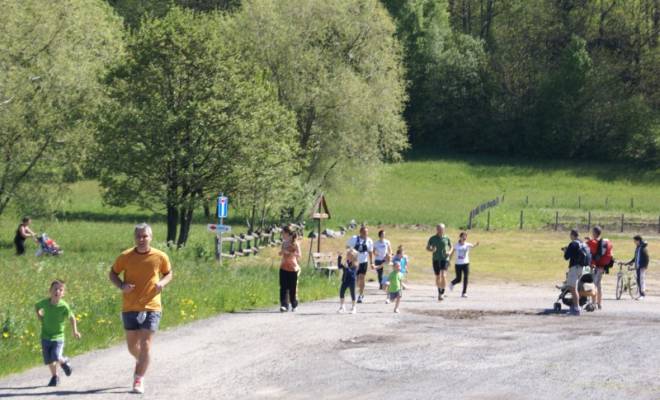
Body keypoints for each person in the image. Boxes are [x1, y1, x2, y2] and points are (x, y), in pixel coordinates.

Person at [109, 223, 173, 394]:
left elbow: (169, 273)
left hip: (152, 305)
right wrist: (122, 285)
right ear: (134, 238)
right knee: (132, 346)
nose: (142, 239)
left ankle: (138, 379)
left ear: (151, 237)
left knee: (145, 344)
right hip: (130, 305)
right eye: (138, 236)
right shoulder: (125, 256)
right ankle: (142, 361)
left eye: (145, 236)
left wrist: (162, 283)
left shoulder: (160, 256)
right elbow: (112, 273)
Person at [35, 279, 81, 387]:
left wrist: (75, 331)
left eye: (61, 289)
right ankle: (55, 377)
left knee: (56, 355)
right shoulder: (44, 303)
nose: (58, 291)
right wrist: (40, 316)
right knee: (49, 359)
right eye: (55, 289)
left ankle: (65, 362)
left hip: (58, 337)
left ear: (63, 293)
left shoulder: (64, 306)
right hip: (45, 336)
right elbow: (36, 306)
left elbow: (72, 318)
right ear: (50, 291)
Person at [587, 226, 612, 310]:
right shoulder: (604, 241)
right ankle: (599, 303)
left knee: (593, 285)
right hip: (602, 267)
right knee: (599, 285)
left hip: (596, 266)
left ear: (595, 233)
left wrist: (589, 240)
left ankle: (593, 303)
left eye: (592, 232)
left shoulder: (593, 242)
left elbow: (589, 248)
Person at [346, 226, 373, 303]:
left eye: (367, 232)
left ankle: (360, 295)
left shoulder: (369, 241)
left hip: (364, 262)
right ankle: (355, 292)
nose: (366, 234)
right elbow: (347, 247)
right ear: (360, 232)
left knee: (362, 278)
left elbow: (370, 252)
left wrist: (371, 262)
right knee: (355, 279)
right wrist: (350, 256)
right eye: (364, 232)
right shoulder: (354, 238)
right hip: (354, 262)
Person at [426, 224, 453, 301]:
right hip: (436, 259)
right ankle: (439, 292)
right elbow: (427, 248)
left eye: (441, 229)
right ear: (436, 229)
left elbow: (451, 247)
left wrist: (449, 252)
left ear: (444, 229)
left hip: (445, 259)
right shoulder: (432, 238)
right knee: (438, 277)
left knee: (444, 275)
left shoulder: (447, 238)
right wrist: (431, 250)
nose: (440, 231)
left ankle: (442, 293)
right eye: (438, 229)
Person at [562, 230, 586, 315]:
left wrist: (565, 250)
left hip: (574, 267)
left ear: (572, 235)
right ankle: (575, 306)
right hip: (581, 268)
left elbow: (566, 257)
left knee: (572, 288)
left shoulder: (573, 244)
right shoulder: (582, 243)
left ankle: (576, 308)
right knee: (574, 287)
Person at [279, 225, 301, 312]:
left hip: (293, 268)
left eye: (283, 233)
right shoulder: (284, 243)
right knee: (283, 287)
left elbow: (299, 255)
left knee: (292, 287)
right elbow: (281, 253)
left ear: (288, 233)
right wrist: (282, 252)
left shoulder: (295, 243)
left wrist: (290, 253)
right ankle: (284, 305)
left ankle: (294, 304)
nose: (282, 234)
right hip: (283, 267)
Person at [449, 232, 479, 298]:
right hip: (458, 264)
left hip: (466, 263)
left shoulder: (467, 244)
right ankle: (452, 283)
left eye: (465, 237)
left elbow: (473, 246)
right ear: (460, 237)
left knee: (466, 277)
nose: (464, 238)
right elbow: (452, 254)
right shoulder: (456, 245)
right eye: (463, 237)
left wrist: (476, 244)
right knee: (459, 279)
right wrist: (449, 261)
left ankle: (464, 293)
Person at [626, 235, 650, 299]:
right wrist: (629, 262)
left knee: (641, 280)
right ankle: (640, 294)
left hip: (641, 267)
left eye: (635, 241)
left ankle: (642, 295)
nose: (634, 242)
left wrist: (644, 266)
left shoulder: (642, 248)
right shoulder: (638, 248)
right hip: (638, 267)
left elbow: (647, 258)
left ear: (638, 241)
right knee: (638, 280)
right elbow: (635, 258)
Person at [337, 249, 359, 314]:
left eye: (348, 254)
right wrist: (339, 257)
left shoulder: (355, 263)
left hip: (352, 280)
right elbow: (339, 266)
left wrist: (346, 267)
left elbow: (352, 272)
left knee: (352, 293)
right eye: (347, 254)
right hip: (345, 279)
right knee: (341, 292)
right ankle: (342, 306)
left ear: (353, 256)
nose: (347, 255)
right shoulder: (346, 262)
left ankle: (354, 307)